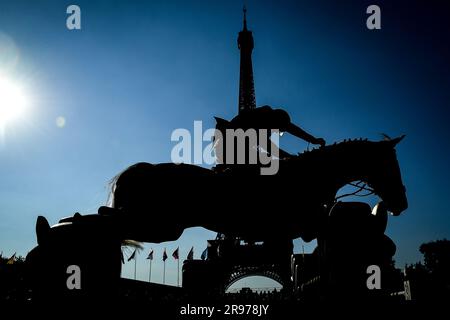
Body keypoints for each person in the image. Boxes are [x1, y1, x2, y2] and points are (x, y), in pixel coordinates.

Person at [214, 105, 325, 165]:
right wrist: (289, 157)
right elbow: (266, 145)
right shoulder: (263, 118)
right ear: (276, 122)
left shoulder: (270, 117)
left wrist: (313, 140)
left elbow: (293, 129)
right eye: (278, 130)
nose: (275, 132)